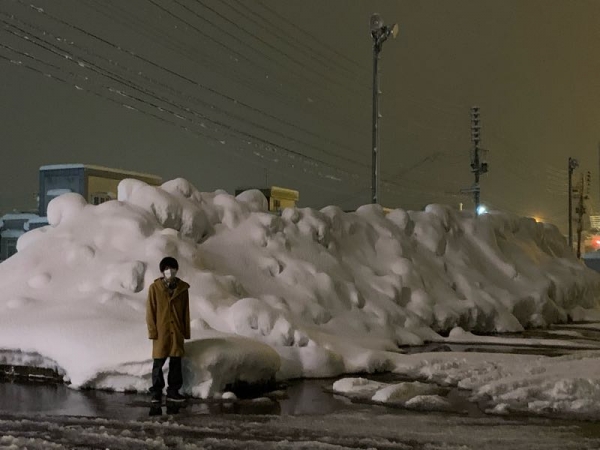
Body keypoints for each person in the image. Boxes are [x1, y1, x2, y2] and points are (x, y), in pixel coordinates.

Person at [146, 256, 191, 403]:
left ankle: (173, 391)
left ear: (176, 270)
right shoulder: (155, 288)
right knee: (158, 363)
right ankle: (156, 392)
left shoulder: (182, 289)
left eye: (172, 268)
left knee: (175, 362)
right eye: (166, 269)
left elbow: (186, 311)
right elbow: (150, 311)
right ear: (161, 271)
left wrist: (186, 331)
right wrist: (153, 331)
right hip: (161, 331)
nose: (169, 271)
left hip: (177, 331)